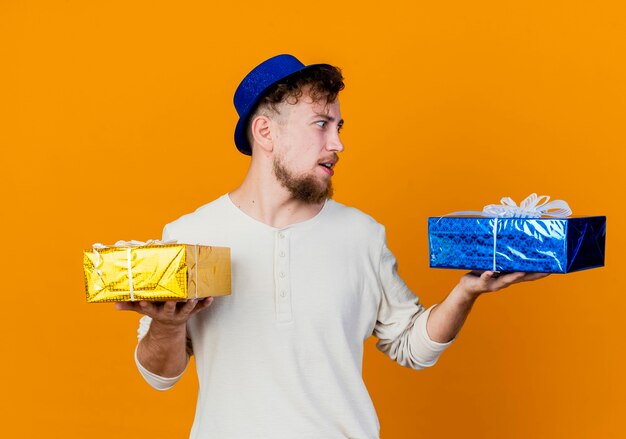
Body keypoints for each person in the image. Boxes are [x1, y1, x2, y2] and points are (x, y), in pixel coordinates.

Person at [116, 54, 547, 438]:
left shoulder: (362, 234)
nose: (337, 143)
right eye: (321, 124)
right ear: (266, 132)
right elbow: (160, 377)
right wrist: (168, 326)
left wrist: (466, 291)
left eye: (338, 127)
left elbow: (411, 346)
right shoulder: (191, 234)